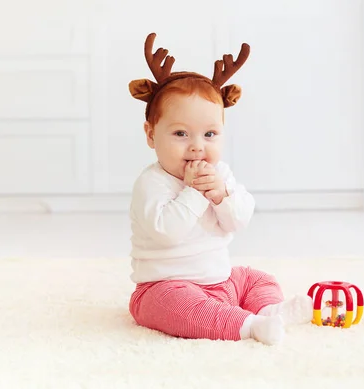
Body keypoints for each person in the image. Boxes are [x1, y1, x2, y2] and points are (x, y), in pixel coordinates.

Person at [125, 33, 313, 345]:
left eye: (209, 134)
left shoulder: (220, 174)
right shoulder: (151, 182)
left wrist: (222, 195)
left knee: (255, 278)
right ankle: (250, 325)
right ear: (151, 135)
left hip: (220, 280)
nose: (197, 147)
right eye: (181, 133)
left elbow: (239, 220)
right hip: (164, 286)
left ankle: (270, 310)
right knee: (175, 308)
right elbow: (167, 232)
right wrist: (196, 193)